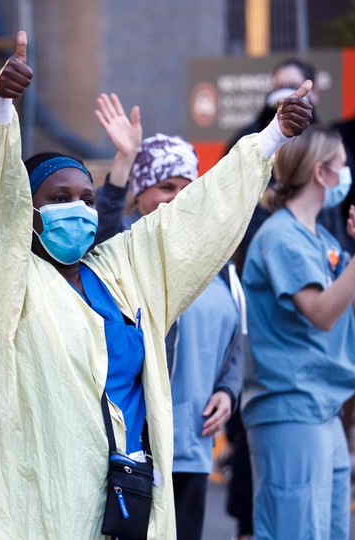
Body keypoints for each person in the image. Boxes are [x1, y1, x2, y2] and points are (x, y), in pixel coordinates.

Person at [0, 31, 312, 539]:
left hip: (125, 495)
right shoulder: (10, 283)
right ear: (28, 212)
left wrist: (271, 137)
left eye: (86, 200)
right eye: (58, 199)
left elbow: (193, 218)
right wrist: (0, 106)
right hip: (38, 502)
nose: (76, 209)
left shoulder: (119, 271)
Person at [94, 112, 244, 540]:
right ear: (140, 193)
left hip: (194, 448)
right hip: (140, 448)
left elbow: (234, 343)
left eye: (186, 187)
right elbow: (104, 232)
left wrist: (227, 391)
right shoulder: (126, 252)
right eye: (165, 187)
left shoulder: (218, 262)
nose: (178, 198)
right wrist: (124, 160)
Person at [241, 124, 355, 540]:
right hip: (290, 405)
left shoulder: (320, 238)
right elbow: (323, 313)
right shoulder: (280, 238)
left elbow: (354, 301)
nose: (349, 175)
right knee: (294, 530)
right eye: (343, 166)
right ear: (320, 172)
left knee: (327, 530)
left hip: (320, 407)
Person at [223, 57, 318, 540]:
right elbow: (225, 200)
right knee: (254, 442)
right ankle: (245, 524)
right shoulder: (247, 141)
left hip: (309, 367)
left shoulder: (320, 146)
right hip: (260, 302)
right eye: (279, 86)